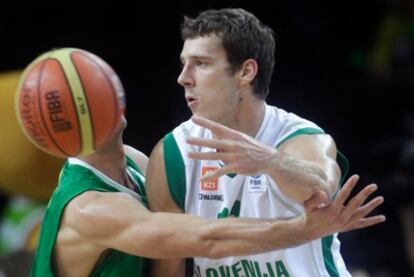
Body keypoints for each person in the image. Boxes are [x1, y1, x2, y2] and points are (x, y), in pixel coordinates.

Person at [145, 8, 385, 277]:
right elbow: (168, 267)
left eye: (201, 63)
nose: (183, 78)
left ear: (245, 71)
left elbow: (322, 189)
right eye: (184, 63)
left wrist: (271, 162)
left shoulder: (300, 136)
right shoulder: (171, 154)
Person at [30, 113, 384, 277]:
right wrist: (304, 229)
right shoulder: (91, 208)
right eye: (93, 91)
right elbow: (205, 239)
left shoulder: (136, 164)